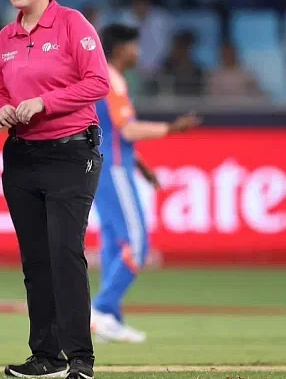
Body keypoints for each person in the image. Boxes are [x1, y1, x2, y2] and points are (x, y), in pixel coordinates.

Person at [0, 0, 109, 379]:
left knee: (64, 253)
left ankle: (80, 359)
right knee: (36, 261)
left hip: (71, 153)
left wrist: (44, 102)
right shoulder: (5, 37)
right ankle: (46, 356)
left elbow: (98, 81)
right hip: (22, 155)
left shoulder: (73, 24)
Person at [91, 24, 201, 343]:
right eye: (134, 46)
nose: (138, 52)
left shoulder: (108, 79)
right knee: (137, 243)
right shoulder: (110, 79)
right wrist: (171, 129)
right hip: (113, 170)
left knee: (114, 243)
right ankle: (101, 309)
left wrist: (141, 166)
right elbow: (126, 131)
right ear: (121, 49)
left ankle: (109, 318)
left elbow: (112, 133)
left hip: (109, 166)